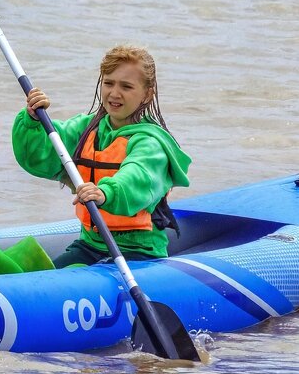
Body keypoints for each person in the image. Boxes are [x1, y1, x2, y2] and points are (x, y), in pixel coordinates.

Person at [12, 45, 191, 267]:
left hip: (139, 251)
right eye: (109, 83)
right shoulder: (86, 129)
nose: (114, 93)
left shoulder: (151, 143)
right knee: (51, 272)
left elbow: (138, 176)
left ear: (147, 94)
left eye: (126, 86)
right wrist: (33, 122)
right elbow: (40, 156)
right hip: (90, 245)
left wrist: (105, 193)